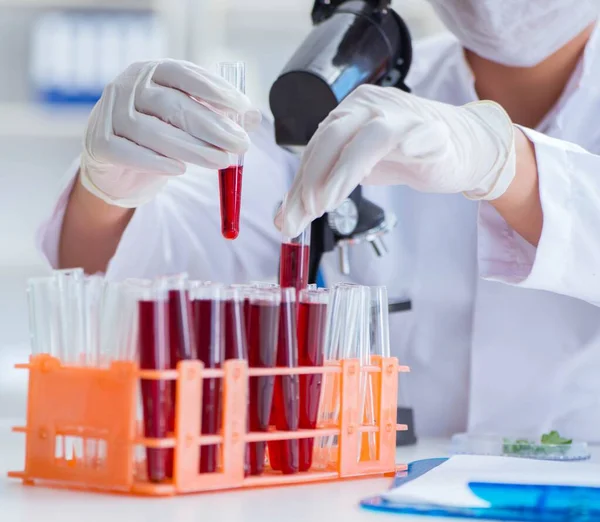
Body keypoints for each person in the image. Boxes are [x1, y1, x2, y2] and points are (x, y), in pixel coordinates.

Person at [38, 1, 600, 441]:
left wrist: (509, 165)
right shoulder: (362, 94)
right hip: (387, 495)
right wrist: (107, 188)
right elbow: (143, 279)